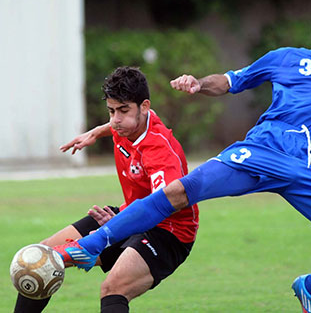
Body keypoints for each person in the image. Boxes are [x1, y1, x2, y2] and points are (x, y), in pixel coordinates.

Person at [54, 0, 311, 312]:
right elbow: (231, 81)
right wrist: (200, 83)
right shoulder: (286, 59)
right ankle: (94, 244)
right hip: (261, 152)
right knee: (182, 191)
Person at [14, 66, 199, 313]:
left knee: (113, 289)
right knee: (41, 258)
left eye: (123, 111)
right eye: (111, 111)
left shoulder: (159, 151)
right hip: (127, 215)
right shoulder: (127, 124)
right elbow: (115, 125)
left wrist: (120, 226)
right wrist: (94, 132)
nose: (115, 119)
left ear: (144, 106)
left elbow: (163, 206)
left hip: (169, 232)